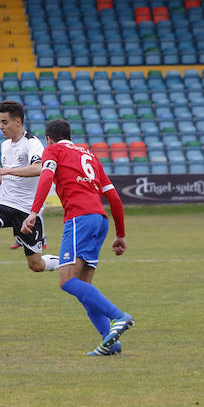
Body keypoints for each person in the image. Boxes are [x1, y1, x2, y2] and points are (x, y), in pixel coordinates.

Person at [20, 119, 132, 357]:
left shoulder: (53, 150)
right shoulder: (89, 154)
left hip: (79, 219)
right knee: (83, 287)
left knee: (67, 281)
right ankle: (110, 341)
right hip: (100, 220)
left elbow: (46, 177)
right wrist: (120, 234)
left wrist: (33, 212)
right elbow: (113, 197)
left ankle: (118, 316)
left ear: (49, 139)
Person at [0, 100, 60, 291]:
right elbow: (12, 176)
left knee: (36, 265)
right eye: (0, 122)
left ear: (18, 122)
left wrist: (5, 171)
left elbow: (39, 168)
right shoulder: (5, 145)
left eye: (4, 122)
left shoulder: (32, 143)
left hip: (26, 211)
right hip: (4, 203)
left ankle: (69, 261)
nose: (0, 127)